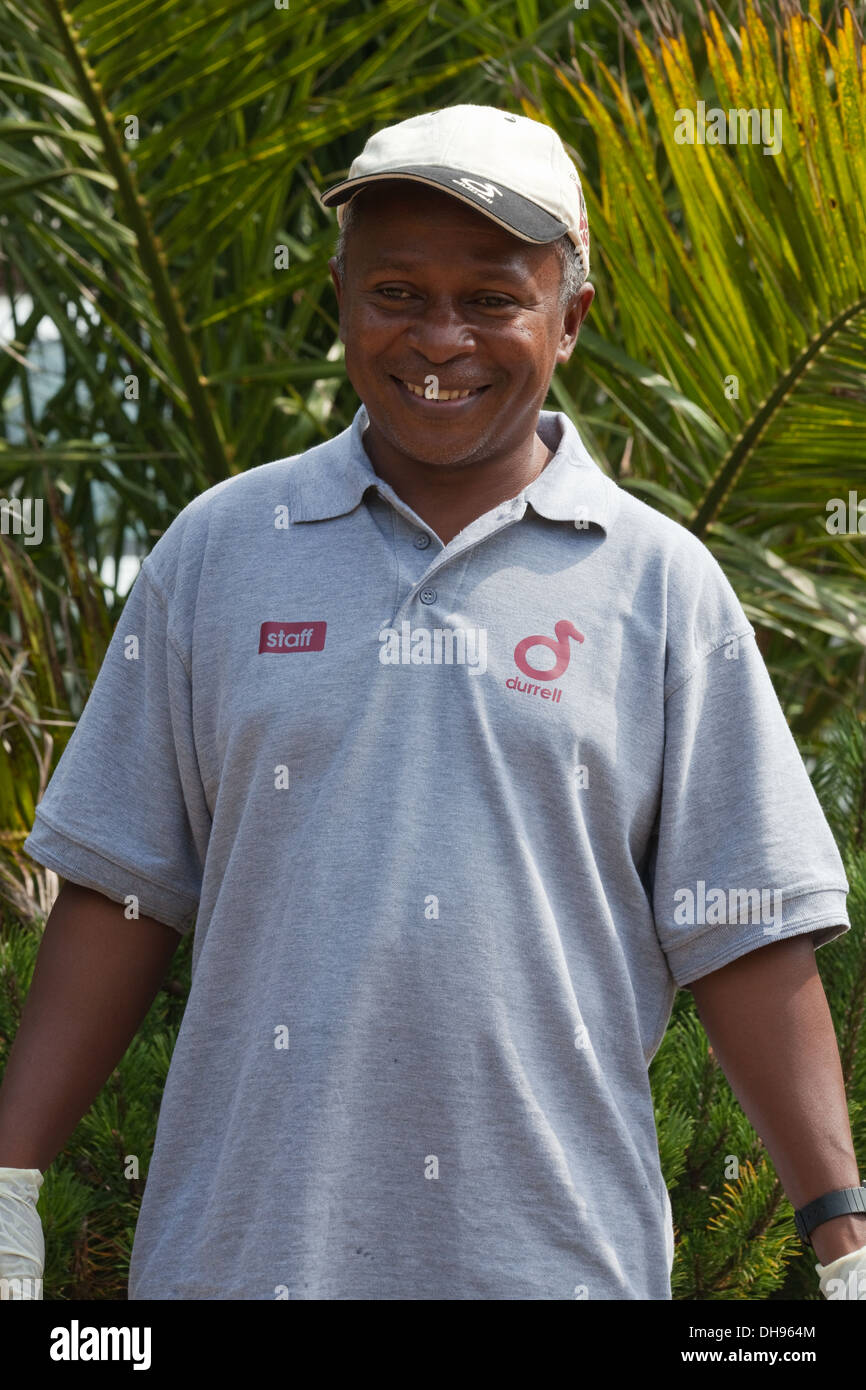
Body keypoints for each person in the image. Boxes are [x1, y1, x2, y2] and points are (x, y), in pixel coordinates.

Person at [2, 104, 865, 1302]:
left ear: (569, 317)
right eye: (396, 293)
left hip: (557, 1269)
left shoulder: (658, 584)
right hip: (239, 1265)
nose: (439, 337)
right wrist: (9, 1184)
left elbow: (743, 932)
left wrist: (840, 1229)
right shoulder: (222, 550)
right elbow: (122, 890)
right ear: (343, 301)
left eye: (492, 298)